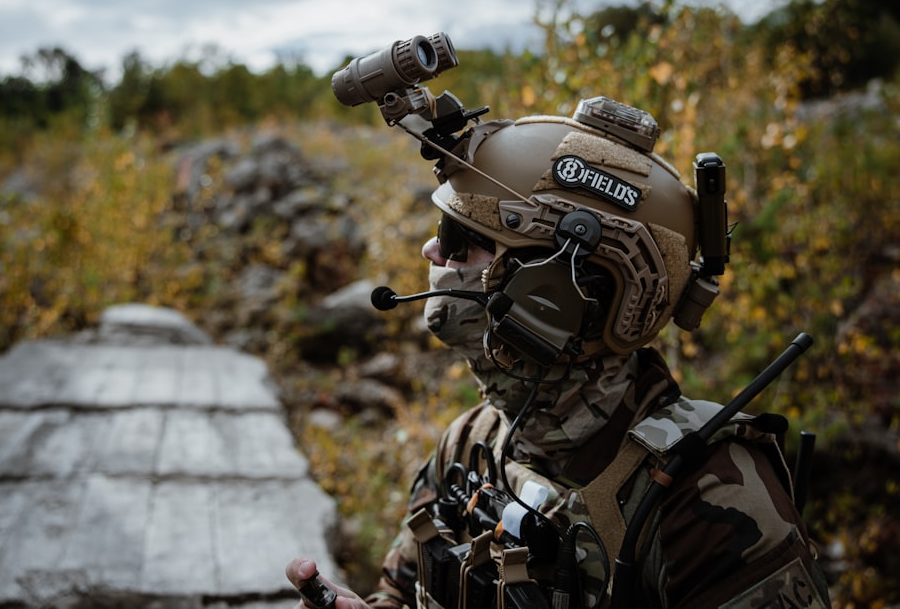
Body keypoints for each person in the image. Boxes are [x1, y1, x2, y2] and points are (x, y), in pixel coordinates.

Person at [287, 96, 830, 608]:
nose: (433, 251)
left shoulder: (710, 494)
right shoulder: (475, 442)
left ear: (557, 295)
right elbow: (401, 591)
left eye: (460, 238)